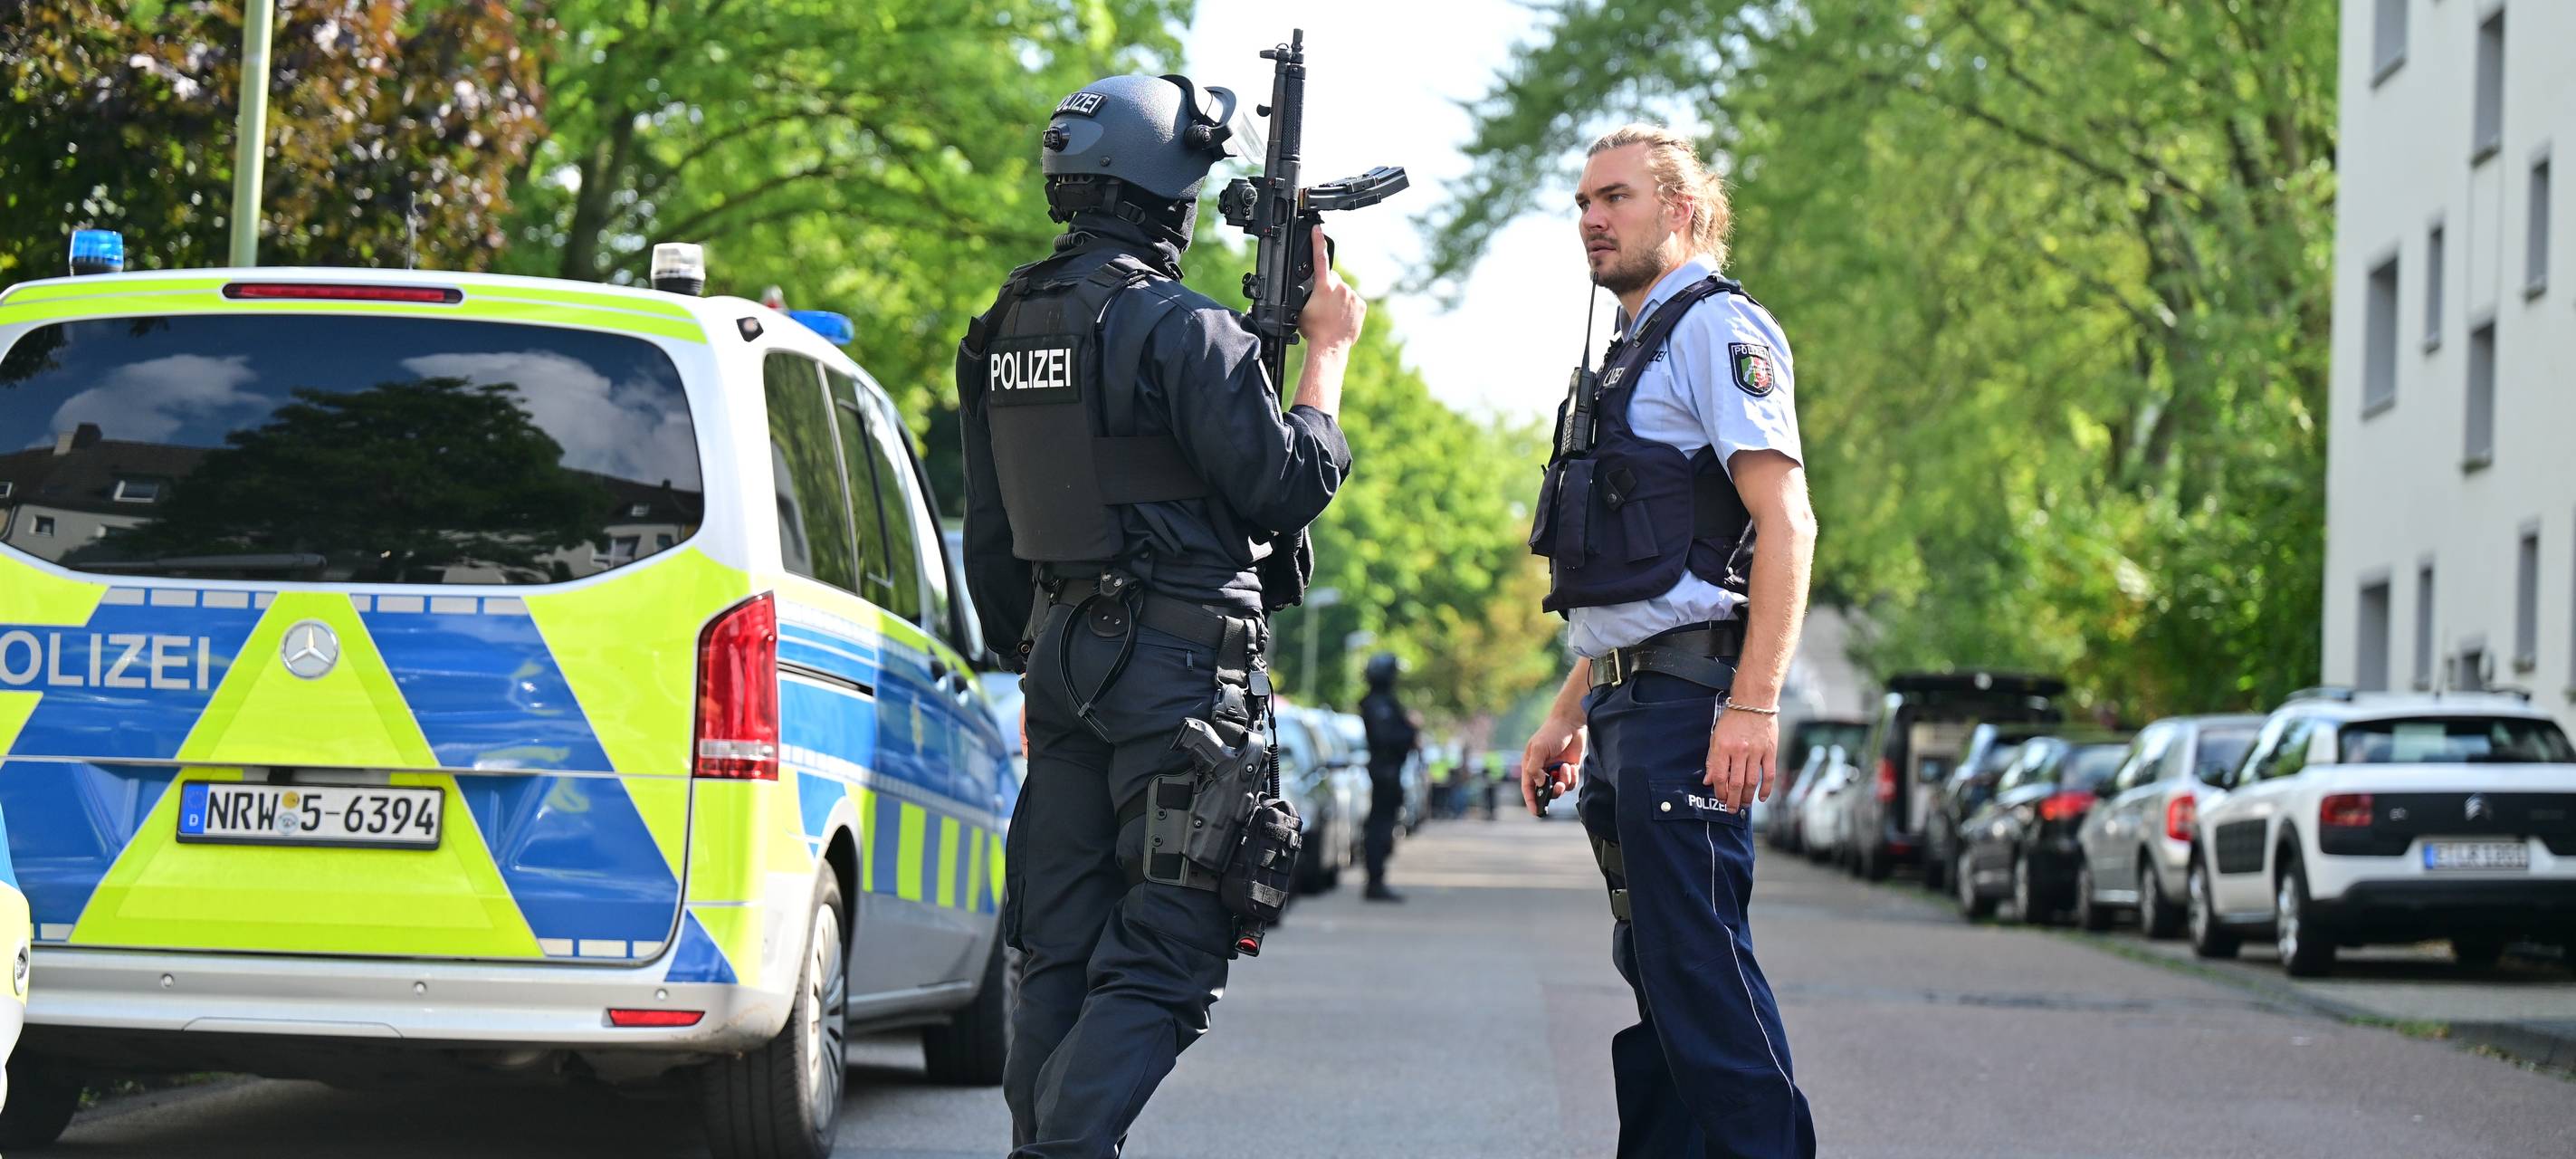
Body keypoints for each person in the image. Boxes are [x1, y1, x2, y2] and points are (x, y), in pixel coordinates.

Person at [955, 72, 1364, 1158]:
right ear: (1169, 193)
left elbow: (988, 537)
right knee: (1170, 951)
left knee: (1059, 948)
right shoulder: (1182, 327)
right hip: (1181, 679)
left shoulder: (999, 323)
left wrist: (1038, 651)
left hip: (1062, 667)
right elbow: (1283, 484)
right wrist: (1323, 355)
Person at [1517, 123, 1820, 1159]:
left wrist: (1752, 701)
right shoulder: (1632, 345)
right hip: (1625, 711)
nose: (1591, 220)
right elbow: (1644, 571)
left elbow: (1784, 523)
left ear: (1679, 210)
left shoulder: (1713, 328)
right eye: (1582, 204)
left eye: (1614, 199)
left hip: (1689, 712)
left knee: (1703, 985)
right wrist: (1566, 715)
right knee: (1662, 985)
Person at [1357, 651, 1418, 901]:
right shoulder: (1378, 704)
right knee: (1379, 829)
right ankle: (1375, 882)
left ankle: (1377, 879)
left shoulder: (1383, 702)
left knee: (1383, 827)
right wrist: (1411, 731)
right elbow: (1386, 738)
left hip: (1389, 772)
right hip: (1385, 774)